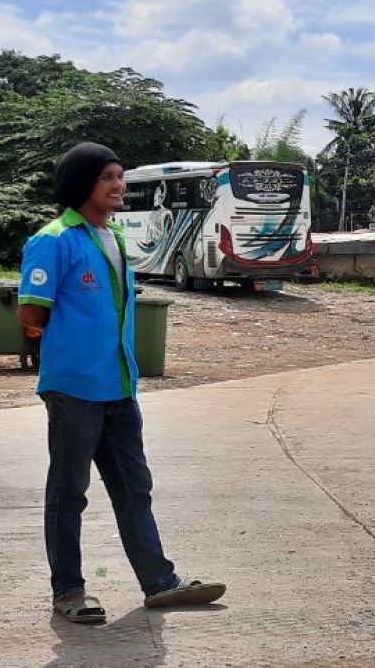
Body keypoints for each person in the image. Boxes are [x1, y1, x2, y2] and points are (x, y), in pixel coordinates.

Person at [17, 142, 225, 624]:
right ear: (81, 183)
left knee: (134, 487)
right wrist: (74, 345)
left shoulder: (112, 238)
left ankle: (160, 582)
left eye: (120, 176)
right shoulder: (53, 240)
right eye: (109, 177)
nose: (119, 186)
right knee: (69, 491)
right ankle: (68, 590)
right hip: (74, 389)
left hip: (119, 386)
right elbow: (30, 311)